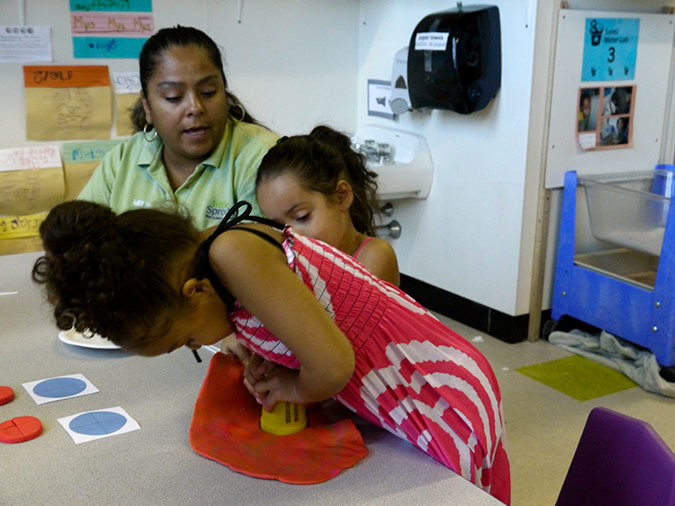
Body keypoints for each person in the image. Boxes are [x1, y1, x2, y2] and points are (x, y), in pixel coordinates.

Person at [32, 200, 510, 504]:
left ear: (195, 291)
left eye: (187, 342)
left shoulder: (232, 254)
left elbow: (333, 364)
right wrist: (271, 353)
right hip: (405, 388)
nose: (201, 345)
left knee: (459, 495)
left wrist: (294, 386)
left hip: (436, 391)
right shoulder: (220, 263)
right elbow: (303, 320)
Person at [79, 25, 278, 229]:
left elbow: (264, 250)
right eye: (174, 97)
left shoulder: (264, 157)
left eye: (208, 92)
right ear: (147, 107)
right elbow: (74, 238)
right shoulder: (122, 160)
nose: (195, 107)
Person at [255, 126, 400, 286]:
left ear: (341, 197)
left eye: (302, 217)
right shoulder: (291, 261)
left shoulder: (375, 256)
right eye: (278, 226)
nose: (291, 235)